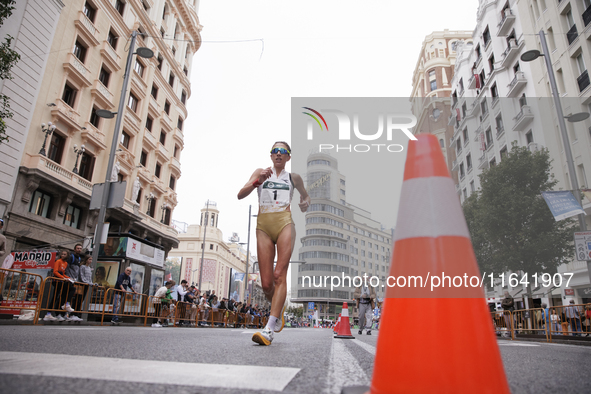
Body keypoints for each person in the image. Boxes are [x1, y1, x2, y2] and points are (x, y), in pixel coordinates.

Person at [238, 141, 310, 346]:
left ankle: (269, 328)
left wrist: (305, 203)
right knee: (267, 283)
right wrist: (257, 181)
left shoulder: (293, 178)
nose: (279, 154)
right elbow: (240, 195)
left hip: (284, 222)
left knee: (280, 274)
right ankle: (279, 309)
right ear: (271, 156)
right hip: (263, 225)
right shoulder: (260, 172)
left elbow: (306, 197)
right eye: (275, 151)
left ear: (288, 157)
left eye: (283, 151)